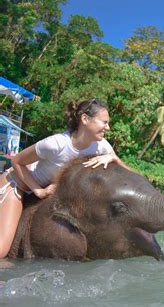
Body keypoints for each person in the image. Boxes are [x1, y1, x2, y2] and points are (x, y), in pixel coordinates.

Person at [0, 99, 127, 258]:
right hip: (16, 186)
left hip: (41, 190)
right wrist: (38, 190)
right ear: (85, 120)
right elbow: (17, 161)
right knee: (1, 250)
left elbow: (125, 174)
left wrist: (114, 160)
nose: (108, 127)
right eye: (104, 122)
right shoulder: (56, 144)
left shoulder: (101, 146)